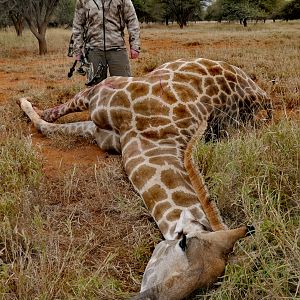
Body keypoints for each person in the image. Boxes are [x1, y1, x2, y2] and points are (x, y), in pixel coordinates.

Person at [72, 0, 140, 86]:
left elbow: (132, 20)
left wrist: (135, 45)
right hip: (93, 49)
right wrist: (77, 49)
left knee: (123, 86)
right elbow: (77, 25)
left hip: (117, 48)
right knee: (95, 89)